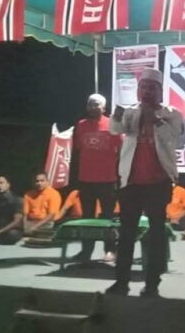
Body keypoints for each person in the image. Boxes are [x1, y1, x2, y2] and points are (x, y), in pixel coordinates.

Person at [105, 68, 184, 298]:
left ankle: (152, 284)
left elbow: (178, 138)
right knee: (126, 234)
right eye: (143, 87)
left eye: (152, 88)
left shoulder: (171, 114)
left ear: (160, 91)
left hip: (158, 183)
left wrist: (155, 119)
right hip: (131, 183)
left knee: (156, 233)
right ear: (138, 91)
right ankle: (121, 282)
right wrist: (116, 116)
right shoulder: (131, 112)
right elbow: (115, 129)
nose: (147, 91)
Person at [73, 93, 122, 261]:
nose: (93, 107)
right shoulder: (81, 125)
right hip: (86, 178)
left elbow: (121, 148)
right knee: (87, 217)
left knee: (108, 217)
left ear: (104, 107)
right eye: (90, 104)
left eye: (96, 105)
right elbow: (79, 147)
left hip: (107, 179)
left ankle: (110, 250)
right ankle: (86, 251)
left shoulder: (112, 124)